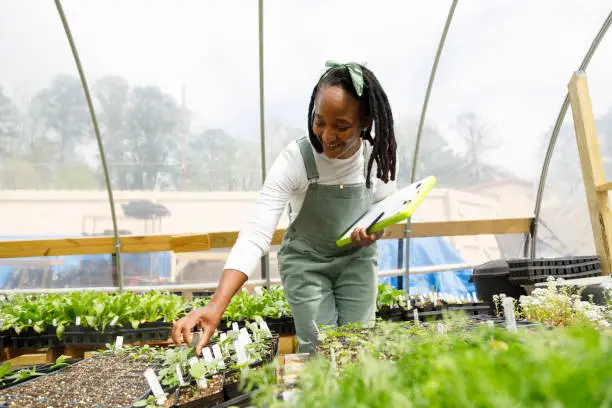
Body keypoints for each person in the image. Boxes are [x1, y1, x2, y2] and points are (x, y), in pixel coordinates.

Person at [172, 60, 398, 354]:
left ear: (365, 121)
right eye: (320, 122)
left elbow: (385, 211)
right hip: (308, 265)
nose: (327, 136)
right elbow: (256, 233)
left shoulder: (377, 156)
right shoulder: (296, 160)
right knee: (323, 346)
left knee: (359, 346)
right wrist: (216, 305)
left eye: (341, 126)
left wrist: (374, 232)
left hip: (356, 260)